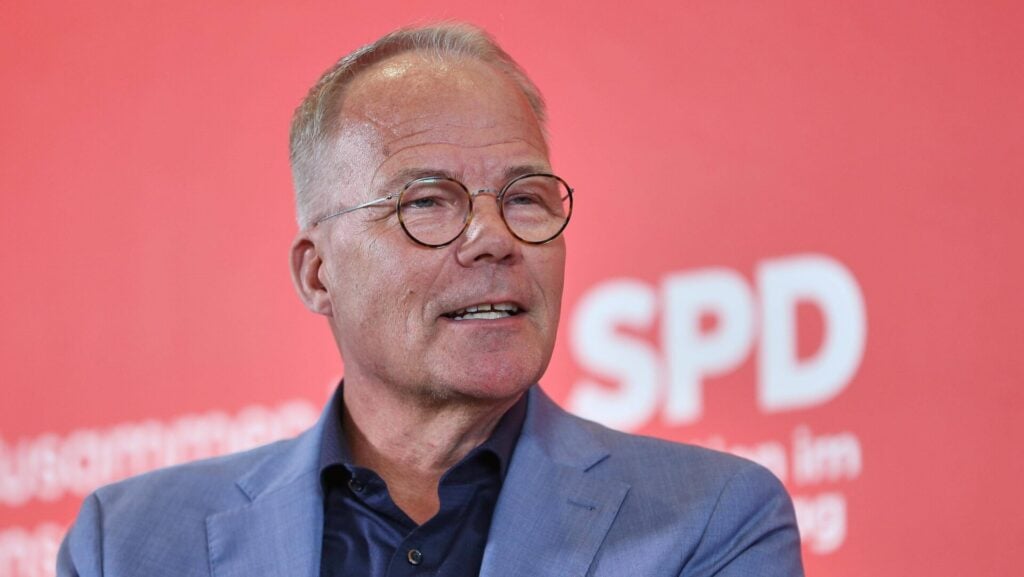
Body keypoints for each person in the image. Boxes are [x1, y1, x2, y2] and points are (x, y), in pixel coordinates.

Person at [57, 23, 804, 577]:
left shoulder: (713, 520)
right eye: (427, 202)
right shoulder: (126, 544)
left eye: (526, 197)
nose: (494, 238)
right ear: (318, 274)